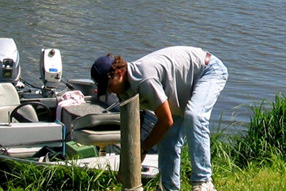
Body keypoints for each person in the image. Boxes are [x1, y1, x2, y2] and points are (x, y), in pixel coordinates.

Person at [91, 46, 228, 191]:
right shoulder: (123, 90)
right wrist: (126, 162)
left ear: (119, 72)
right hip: (181, 88)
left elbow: (166, 121)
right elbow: (132, 126)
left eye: (109, 86)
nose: (110, 91)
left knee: (194, 115)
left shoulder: (145, 80)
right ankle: (168, 188)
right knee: (168, 138)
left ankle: (203, 181)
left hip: (208, 70)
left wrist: (143, 149)